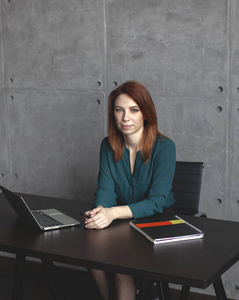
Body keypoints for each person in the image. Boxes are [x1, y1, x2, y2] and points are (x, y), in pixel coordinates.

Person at [83, 80, 176, 300]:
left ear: (146, 113)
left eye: (133, 110)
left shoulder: (165, 147)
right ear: (113, 114)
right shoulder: (107, 145)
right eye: (119, 110)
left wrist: (112, 213)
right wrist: (100, 213)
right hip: (123, 221)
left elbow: (156, 202)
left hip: (158, 220)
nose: (125, 118)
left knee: (118, 262)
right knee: (93, 257)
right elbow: (105, 192)